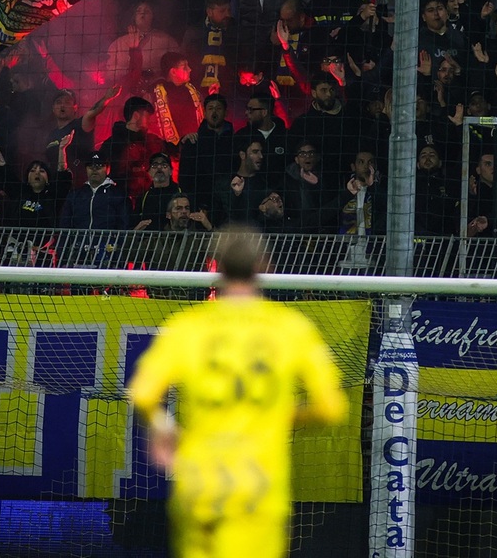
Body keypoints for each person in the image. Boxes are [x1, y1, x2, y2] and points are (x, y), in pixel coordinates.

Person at [125, 227, 347, 558]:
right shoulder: (291, 328)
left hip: (198, 485)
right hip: (258, 490)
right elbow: (331, 408)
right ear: (264, 266)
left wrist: (161, 427)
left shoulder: (188, 325)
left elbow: (142, 394)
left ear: (218, 267)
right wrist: (283, 415)